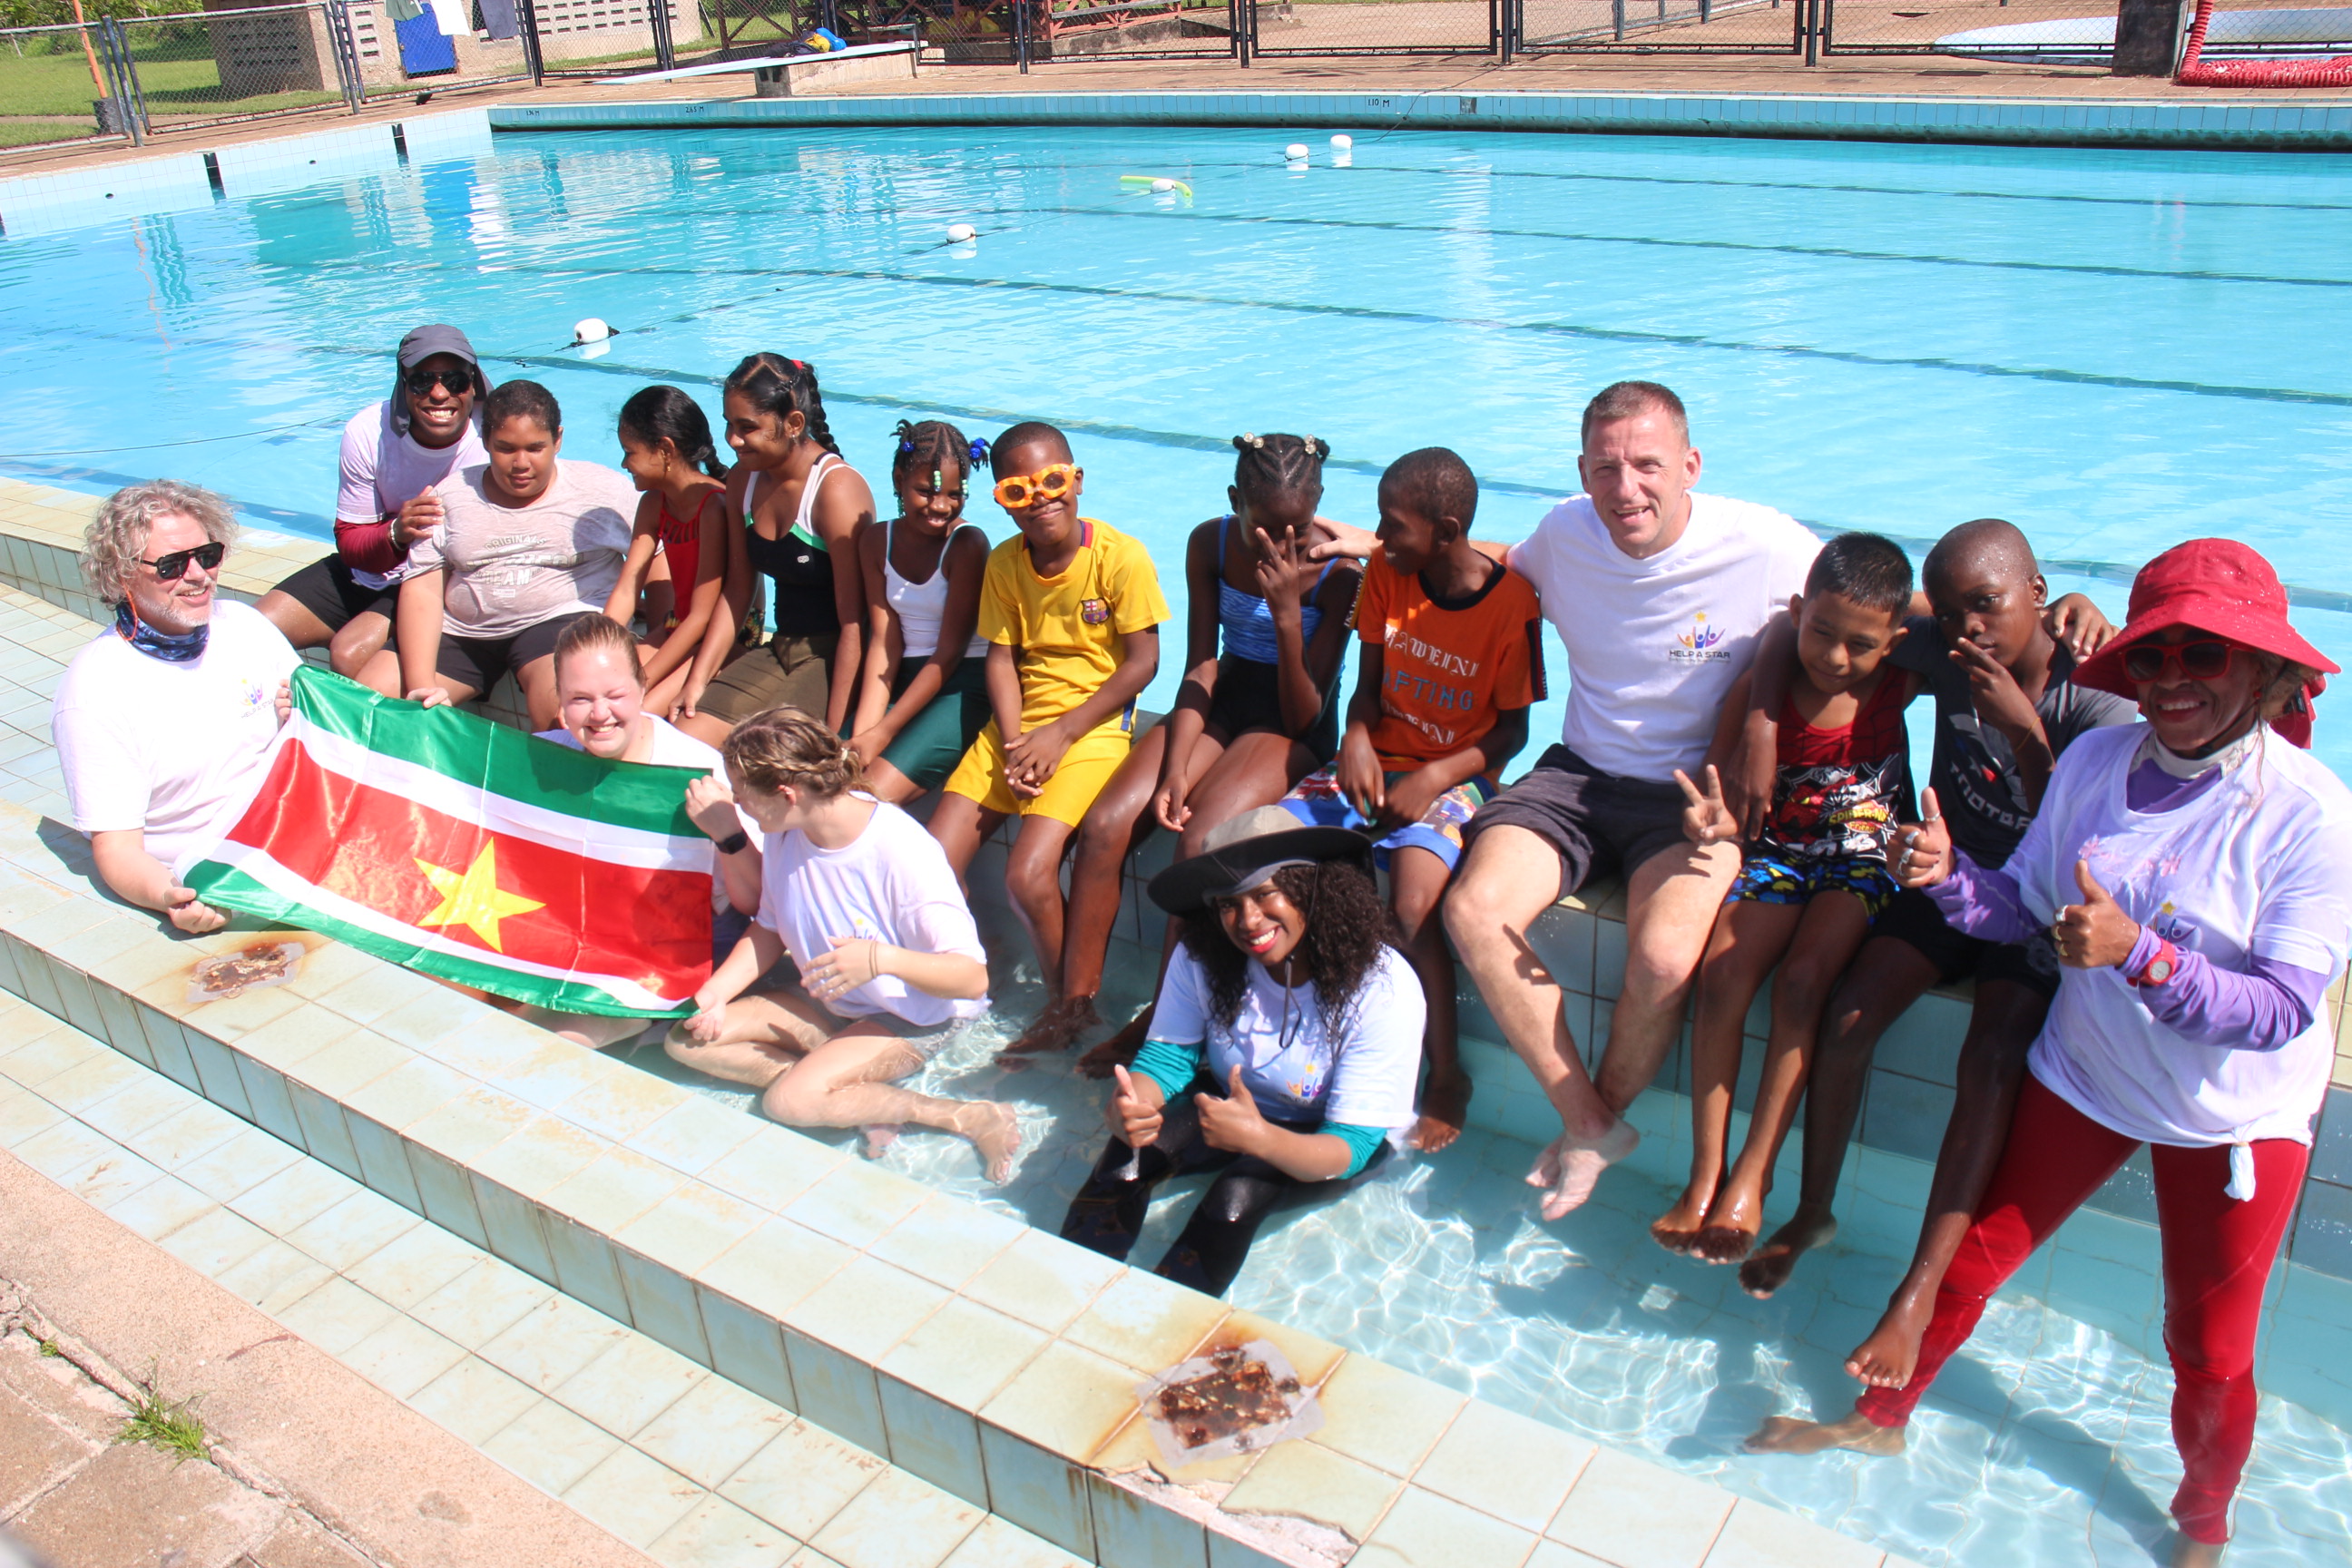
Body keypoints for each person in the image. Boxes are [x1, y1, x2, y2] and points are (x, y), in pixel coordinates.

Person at [1748, 539, 2351, 1568]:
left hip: (2231, 1119)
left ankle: (2202, 1525)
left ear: (2266, 670)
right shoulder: (2094, 765)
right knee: (1970, 1266)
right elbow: (2016, 905)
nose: (2170, 683)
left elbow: (2284, 1011)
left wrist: (2141, 957)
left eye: (2203, 657)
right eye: (2154, 658)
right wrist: (1943, 877)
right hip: (2087, 1074)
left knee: (2208, 1354)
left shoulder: (2310, 817)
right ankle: (1877, 1418)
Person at [1737, 518, 2136, 1308]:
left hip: (2037, 910)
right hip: (1950, 880)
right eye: (1951, 615)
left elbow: (2085, 838)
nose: (1968, 629)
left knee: (1989, 1059)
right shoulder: (1951, 650)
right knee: (1848, 1014)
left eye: (1986, 605)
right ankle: (1813, 1212)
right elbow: (1804, 621)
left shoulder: (2096, 699)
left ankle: (1918, 1292)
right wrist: (1759, 722)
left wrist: (2023, 728)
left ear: (2038, 595)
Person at [1020, 433, 1361, 1068]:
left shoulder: (1342, 575)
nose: (1281, 546)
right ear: (1235, 503)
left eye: (1296, 530)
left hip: (1291, 725)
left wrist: (1288, 614)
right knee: (1106, 822)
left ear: (1319, 505)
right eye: (1264, 529)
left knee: (1200, 841)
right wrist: (1175, 765)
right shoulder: (1213, 541)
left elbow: (1304, 711)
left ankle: (1161, 1021)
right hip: (1223, 698)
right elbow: (1202, 660)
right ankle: (1074, 1002)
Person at [1660, 533, 1916, 1263]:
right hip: (1780, 855)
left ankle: (1754, 1173)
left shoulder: (1898, 681)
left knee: (1804, 982)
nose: (1835, 657)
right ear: (1797, 611)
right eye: (1821, 631)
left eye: (1861, 645)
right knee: (1720, 974)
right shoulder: (1759, 696)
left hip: (1864, 859)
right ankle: (1705, 1168)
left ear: (1893, 643)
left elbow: (1963, 618)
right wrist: (1710, 820)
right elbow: (1721, 793)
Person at [1278, 446, 1539, 1154]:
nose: (1381, 540)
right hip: (1372, 762)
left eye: (1394, 527)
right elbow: (1368, 684)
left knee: (1416, 905)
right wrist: (1357, 735)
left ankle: (1446, 1068)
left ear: (1448, 532)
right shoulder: (1389, 578)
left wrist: (1433, 779)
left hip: (1454, 776)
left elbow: (1513, 731)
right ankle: (1302, 1032)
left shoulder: (1512, 605)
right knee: (1270, 856)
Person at [1062, 807, 1425, 1296]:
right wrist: (1131, 1107)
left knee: (1235, 1198)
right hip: (1233, 1102)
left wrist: (1261, 1140)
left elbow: (1352, 1147)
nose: (1248, 921)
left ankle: (1161, 1323)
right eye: (1228, 903)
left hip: (1330, 1137)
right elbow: (1168, 1060)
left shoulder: (1384, 987)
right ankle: (1064, 1292)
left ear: (1310, 889)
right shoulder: (1204, 955)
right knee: (1126, 1161)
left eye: (1265, 893)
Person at [668, 707, 1023, 1181]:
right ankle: (846, 1096)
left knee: (787, 1104)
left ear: (786, 793)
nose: (737, 803)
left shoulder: (900, 851)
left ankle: (963, 1114)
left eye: (742, 794)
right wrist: (713, 996)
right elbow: (769, 929)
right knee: (686, 1041)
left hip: (910, 1019)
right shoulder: (788, 830)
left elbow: (971, 978)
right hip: (831, 999)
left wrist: (880, 959)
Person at [927, 422, 1171, 1028]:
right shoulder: (1006, 564)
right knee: (930, 859)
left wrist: (1060, 735)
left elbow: (1144, 663)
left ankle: (1068, 1004)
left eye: (1053, 481)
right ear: (1003, 501)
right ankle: (971, 969)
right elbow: (1003, 658)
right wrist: (1014, 743)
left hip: (1090, 730)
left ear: (1077, 481)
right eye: (1019, 491)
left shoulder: (1120, 557)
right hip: (1016, 730)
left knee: (1029, 875)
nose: (1040, 500)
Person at [53, 480, 298, 933]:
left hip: (293, 834)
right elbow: (117, 850)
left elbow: (320, 722)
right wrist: (169, 895)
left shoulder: (245, 626)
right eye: (171, 565)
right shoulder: (95, 692)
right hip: (221, 873)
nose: (198, 575)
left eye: (207, 556)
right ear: (122, 574)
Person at [520, 613, 762, 1048]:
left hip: (666, 962)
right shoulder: (547, 757)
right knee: (462, 996)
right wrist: (428, 719)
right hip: (580, 942)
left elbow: (758, 902)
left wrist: (729, 834)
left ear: (643, 687)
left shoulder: (697, 773)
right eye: (580, 699)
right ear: (559, 699)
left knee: (553, 1044)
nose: (599, 715)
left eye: (615, 695)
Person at [366, 380, 637, 733]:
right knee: (366, 702)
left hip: (555, 622)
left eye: (536, 448)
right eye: (505, 449)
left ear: (558, 439)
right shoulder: (450, 496)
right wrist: (421, 685)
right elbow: (424, 590)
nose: (521, 463)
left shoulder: (602, 491)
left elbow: (655, 555)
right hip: (465, 631)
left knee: (564, 713)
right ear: (484, 440)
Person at [258, 325, 489, 681]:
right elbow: (351, 541)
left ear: (473, 383)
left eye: (455, 380)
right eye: (423, 381)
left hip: (435, 578)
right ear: (403, 384)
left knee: (351, 653)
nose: (440, 394)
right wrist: (398, 533)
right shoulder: (367, 432)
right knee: (255, 630)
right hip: (370, 567)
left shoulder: (493, 435)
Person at [678, 355, 875, 741]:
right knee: (686, 734)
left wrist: (835, 731)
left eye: (747, 428)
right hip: (779, 648)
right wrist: (696, 680)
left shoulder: (835, 491)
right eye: (729, 426)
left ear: (793, 423)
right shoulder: (743, 481)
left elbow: (857, 622)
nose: (733, 440)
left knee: (765, 753)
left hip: (830, 655)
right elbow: (737, 591)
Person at [847, 419, 995, 803]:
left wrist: (883, 733)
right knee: (828, 777)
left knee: (866, 796)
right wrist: (866, 729)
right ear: (899, 479)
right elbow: (884, 640)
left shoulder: (967, 545)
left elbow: (950, 651)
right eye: (926, 492)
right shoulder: (876, 541)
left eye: (954, 494)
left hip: (962, 682)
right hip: (905, 679)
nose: (941, 506)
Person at [600, 386, 732, 720]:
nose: (624, 462)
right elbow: (630, 584)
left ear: (665, 449)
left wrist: (642, 681)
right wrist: (593, 649)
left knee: (635, 713)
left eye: (629, 452)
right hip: (678, 627)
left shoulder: (713, 507)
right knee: (599, 687)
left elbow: (703, 617)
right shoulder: (654, 501)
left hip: (720, 640)